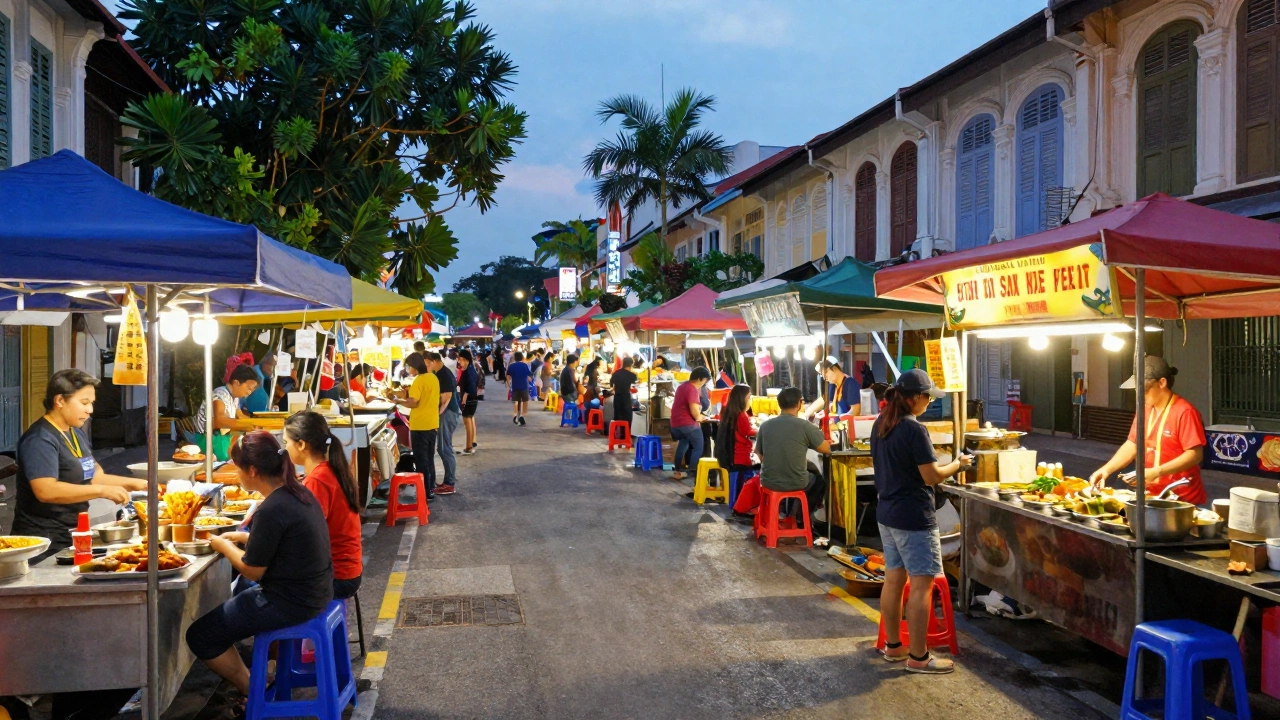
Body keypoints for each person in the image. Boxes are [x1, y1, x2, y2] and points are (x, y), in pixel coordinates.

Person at [188, 431, 333, 697]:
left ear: (253, 470)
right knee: (238, 596)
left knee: (200, 635)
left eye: (237, 468)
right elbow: (284, 541)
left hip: (291, 602)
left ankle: (255, 692)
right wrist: (245, 537)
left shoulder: (272, 508)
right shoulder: (297, 492)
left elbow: (253, 571)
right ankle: (258, 681)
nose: (236, 474)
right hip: (315, 592)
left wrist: (222, 545)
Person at [871, 369, 971, 674]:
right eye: (927, 397)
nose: (929, 402)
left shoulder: (881, 424)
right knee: (921, 586)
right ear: (915, 398)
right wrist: (957, 464)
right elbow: (931, 476)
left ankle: (893, 647)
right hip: (913, 517)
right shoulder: (914, 430)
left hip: (887, 513)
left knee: (894, 580)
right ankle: (918, 656)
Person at [9, 369, 146, 562]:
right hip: (43, 542)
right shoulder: (40, 439)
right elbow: (45, 490)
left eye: (91, 403)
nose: (90, 410)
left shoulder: (75, 433)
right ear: (59, 401)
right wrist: (101, 491)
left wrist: (141, 484)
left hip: (71, 534)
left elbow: (95, 475)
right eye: (84, 403)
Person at [1089, 356, 1207, 504]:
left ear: (1162, 382)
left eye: (1144, 391)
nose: (1140, 396)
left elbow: (1195, 454)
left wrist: (1157, 472)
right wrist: (1106, 469)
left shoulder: (1185, 412)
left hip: (1183, 498)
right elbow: (1132, 444)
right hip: (1151, 495)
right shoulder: (1144, 409)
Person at [283, 412, 362, 600]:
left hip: (338, 577)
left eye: (286, 442)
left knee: (257, 582)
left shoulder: (318, 480)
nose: (285, 448)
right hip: (346, 572)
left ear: (301, 444)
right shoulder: (328, 470)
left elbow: (307, 534)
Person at [755, 386, 831, 522]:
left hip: (768, 481)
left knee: (802, 473)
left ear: (779, 404)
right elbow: (826, 449)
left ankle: (789, 514)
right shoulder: (805, 426)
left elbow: (760, 455)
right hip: (796, 481)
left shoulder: (765, 426)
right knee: (819, 481)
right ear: (799, 404)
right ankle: (801, 519)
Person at [391, 352, 439, 500]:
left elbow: (414, 402)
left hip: (420, 425)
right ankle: (430, 488)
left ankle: (424, 491)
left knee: (421, 460)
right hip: (432, 423)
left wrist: (397, 401)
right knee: (429, 458)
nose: (408, 369)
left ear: (414, 366)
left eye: (408, 366)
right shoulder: (433, 377)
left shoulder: (419, 380)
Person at [194, 363, 260, 460]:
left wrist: (257, 423)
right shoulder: (220, 394)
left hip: (221, 439)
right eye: (248, 388)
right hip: (207, 439)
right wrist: (247, 426)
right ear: (237, 383)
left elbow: (240, 416)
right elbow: (218, 421)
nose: (249, 392)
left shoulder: (235, 398)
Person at [670, 367, 712, 480]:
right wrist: (701, 417)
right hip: (687, 424)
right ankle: (691, 473)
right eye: (704, 381)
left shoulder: (682, 386)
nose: (704, 383)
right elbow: (695, 414)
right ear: (699, 379)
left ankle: (677, 470)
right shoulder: (692, 389)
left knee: (684, 442)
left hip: (675, 423)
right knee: (698, 446)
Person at [427, 352, 460, 493]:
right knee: (444, 447)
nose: (427, 367)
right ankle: (448, 481)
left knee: (444, 448)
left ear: (434, 361)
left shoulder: (444, 375)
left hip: (447, 414)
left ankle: (449, 483)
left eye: (428, 364)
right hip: (448, 413)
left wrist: (437, 414)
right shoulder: (442, 373)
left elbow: (445, 399)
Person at [715, 385, 758, 479]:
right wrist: (759, 430)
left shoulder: (729, 411)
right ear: (742, 399)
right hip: (740, 457)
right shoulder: (741, 415)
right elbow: (747, 431)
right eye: (749, 397)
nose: (750, 400)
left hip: (731, 455)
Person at [457, 349, 479, 455]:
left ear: (466, 360)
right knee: (469, 421)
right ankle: (470, 445)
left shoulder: (467, 372)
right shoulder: (471, 369)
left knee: (467, 423)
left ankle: (468, 447)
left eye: (461, 360)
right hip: (473, 399)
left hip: (468, 400)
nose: (459, 362)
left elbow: (469, 388)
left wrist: (463, 400)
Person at [610, 357, 638, 427]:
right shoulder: (632, 375)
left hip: (617, 398)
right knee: (627, 418)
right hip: (626, 398)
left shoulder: (616, 373)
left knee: (617, 417)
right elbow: (635, 384)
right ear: (631, 365)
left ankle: (616, 435)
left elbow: (611, 384)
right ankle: (626, 435)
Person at [508, 351, 532, 425]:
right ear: (522, 357)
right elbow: (529, 375)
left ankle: (517, 415)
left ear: (515, 358)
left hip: (515, 386)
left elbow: (508, 376)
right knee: (524, 401)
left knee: (517, 402)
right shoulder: (524, 365)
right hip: (524, 386)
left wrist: (509, 385)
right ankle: (522, 415)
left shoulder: (511, 366)